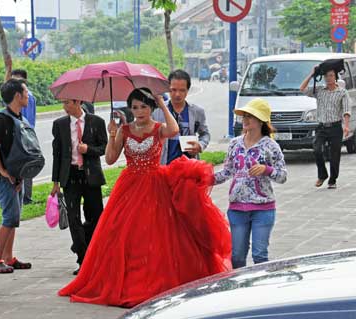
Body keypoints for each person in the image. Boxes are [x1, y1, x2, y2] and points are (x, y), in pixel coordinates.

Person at [58, 88, 232, 307]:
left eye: (143, 107)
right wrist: (112, 135)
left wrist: (161, 102)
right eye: (134, 107)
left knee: (158, 233)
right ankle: (126, 280)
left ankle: (155, 278)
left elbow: (174, 129)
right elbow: (111, 159)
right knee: (123, 234)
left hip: (155, 184)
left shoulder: (159, 128)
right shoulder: (125, 130)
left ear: (151, 108)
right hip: (129, 186)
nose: (139, 111)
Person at [213, 98, 287, 269]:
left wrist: (266, 169)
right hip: (237, 208)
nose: (245, 120)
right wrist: (204, 179)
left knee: (260, 255)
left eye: (250, 116)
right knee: (237, 257)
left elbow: (282, 176)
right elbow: (227, 172)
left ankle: (261, 292)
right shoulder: (234, 144)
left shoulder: (271, 146)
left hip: (263, 209)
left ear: (261, 121)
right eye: (244, 116)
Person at [50, 98, 108, 275]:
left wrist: (88, 149)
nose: (64, 107)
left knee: (95, 217)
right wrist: (55, 182)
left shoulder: (96, 122)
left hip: (90, 176)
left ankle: (92, 253)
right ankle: (82, 260)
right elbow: (57, 153)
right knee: (73, 218)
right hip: (71, 176)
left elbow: (104, 147)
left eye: (67, 103)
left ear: (77, 102)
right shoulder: (59, 124)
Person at [0, 79, 32, 273]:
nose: (28, 96)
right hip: (4, 178)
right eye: (26, 92)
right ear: (17, 96)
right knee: (9, 217)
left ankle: (8, 257)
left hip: (16, 178)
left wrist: (19, 175)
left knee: (14, 218)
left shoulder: (19, 117)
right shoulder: (1, 118)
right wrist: (3, 171)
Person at [300, 65, 351, 189]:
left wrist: (346, 126)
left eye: (331, 76)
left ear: (336, 77)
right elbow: (302, 89)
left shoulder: (342, 92)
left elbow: (346, 110)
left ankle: (332, 180)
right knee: (317, 149)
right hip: (322, 127)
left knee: (334, 155)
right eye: (326, 76)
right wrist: (312, 74)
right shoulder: (319, 90)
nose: (328, 78)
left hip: (335, 127)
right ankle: (322, 175)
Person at [152, 69, 210, 165]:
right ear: (168, 89)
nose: (177, 94)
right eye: (173, 90)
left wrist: (200, 145)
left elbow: (205, 134)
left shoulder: (197, 111)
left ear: (187, 90)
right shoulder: (157, 111)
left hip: (189, 167)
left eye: (182, 90)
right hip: (164, 166)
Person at [5, 60, 37, 205]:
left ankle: (26, 198)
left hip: (24, 136)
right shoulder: (16, 97)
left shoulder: (27, 97)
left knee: (26, 166)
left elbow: (28, 120)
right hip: (19, 135)